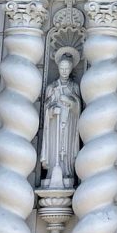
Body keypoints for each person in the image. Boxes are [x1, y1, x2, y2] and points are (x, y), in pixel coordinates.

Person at [40, 49, 82, 189]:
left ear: (71, 69)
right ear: (58, 68)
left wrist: (70, 102)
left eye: (67, 68)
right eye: (62, 68)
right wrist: (51, 110)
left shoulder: (74, 87)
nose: (64, 71)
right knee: (55, 146)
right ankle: (52, 172)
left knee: (67, 147)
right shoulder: (52, 88)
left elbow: (78, 108)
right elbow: (46, 107)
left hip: (69, 123)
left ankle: (67, 172)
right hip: (54, 125)